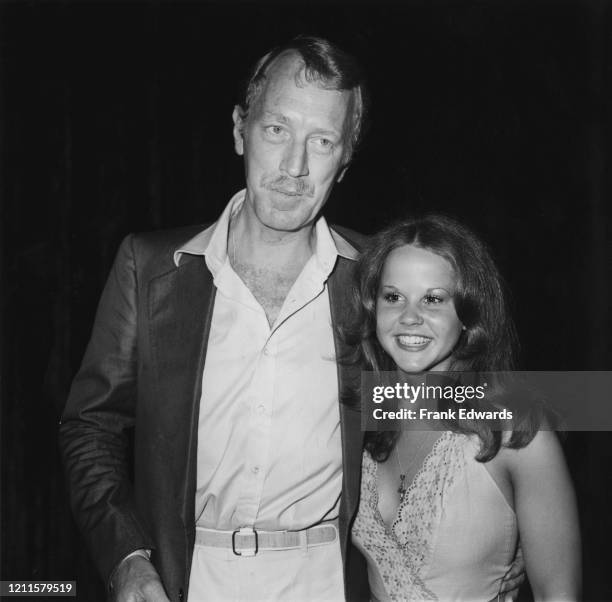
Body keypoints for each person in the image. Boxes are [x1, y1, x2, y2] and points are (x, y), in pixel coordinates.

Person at [59, 36, 371, 602]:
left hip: (324, 582)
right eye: (276, 130)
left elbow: (454, 401)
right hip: (188, 582)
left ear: (345, 160)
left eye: (321, 141)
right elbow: (90, 425)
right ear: (239, 130)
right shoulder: (150, 267)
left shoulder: (377, 282)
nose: (295, 167)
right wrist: (125, 557)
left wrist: (536, 426)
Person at [349, 215, 581, 600]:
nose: (409, 316)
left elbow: (560, 594)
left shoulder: (516, 432)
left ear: (468, 315)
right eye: (393, 297)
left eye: (433, 299)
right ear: (373, 307)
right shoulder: (362, 417)